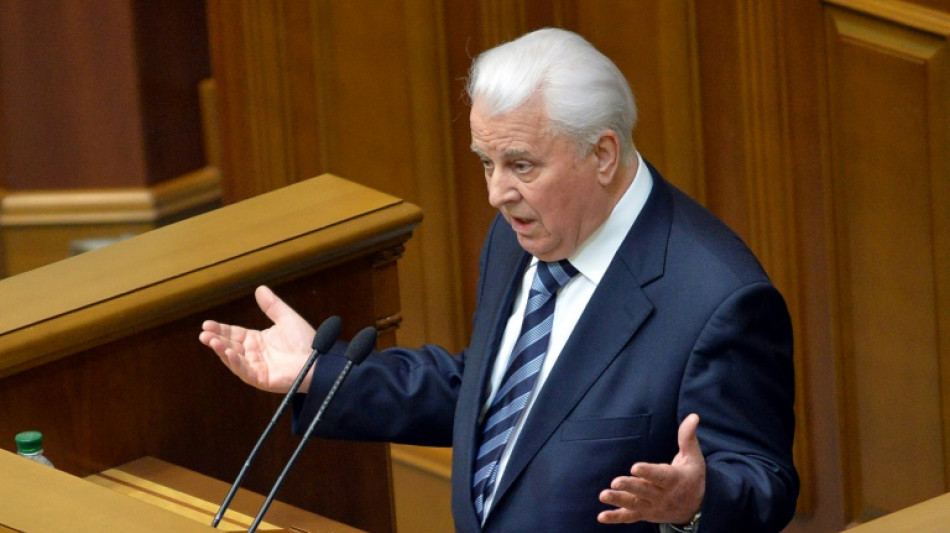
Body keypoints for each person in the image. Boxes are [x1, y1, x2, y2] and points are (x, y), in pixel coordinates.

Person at [199, 27, 799, 532]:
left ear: (603, 154)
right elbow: (492, 394)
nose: (496, 193)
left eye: (520, 165)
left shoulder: (718, 299)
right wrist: (319, 375)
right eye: (486, 162)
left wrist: (696, 504)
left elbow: (763, 481)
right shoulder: (521, 234)